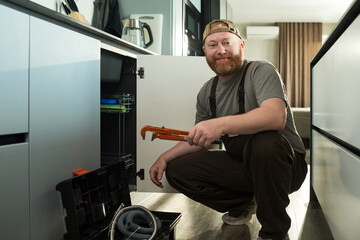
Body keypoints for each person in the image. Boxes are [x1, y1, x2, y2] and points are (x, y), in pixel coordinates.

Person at [149, 19, 307, 240]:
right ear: (205, 50)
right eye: (213, 45)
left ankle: (274, 232)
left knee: (265, 141)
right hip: (244, 164)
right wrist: (164, 157)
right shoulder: (207, 92)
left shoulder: (261, 71)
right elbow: (199, 139)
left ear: (241, 45)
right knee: (177, 170)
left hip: (287, 167)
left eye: (227, 42)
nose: (221, 50)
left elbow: (275, 117)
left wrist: (220, 124)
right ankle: (245, 203)